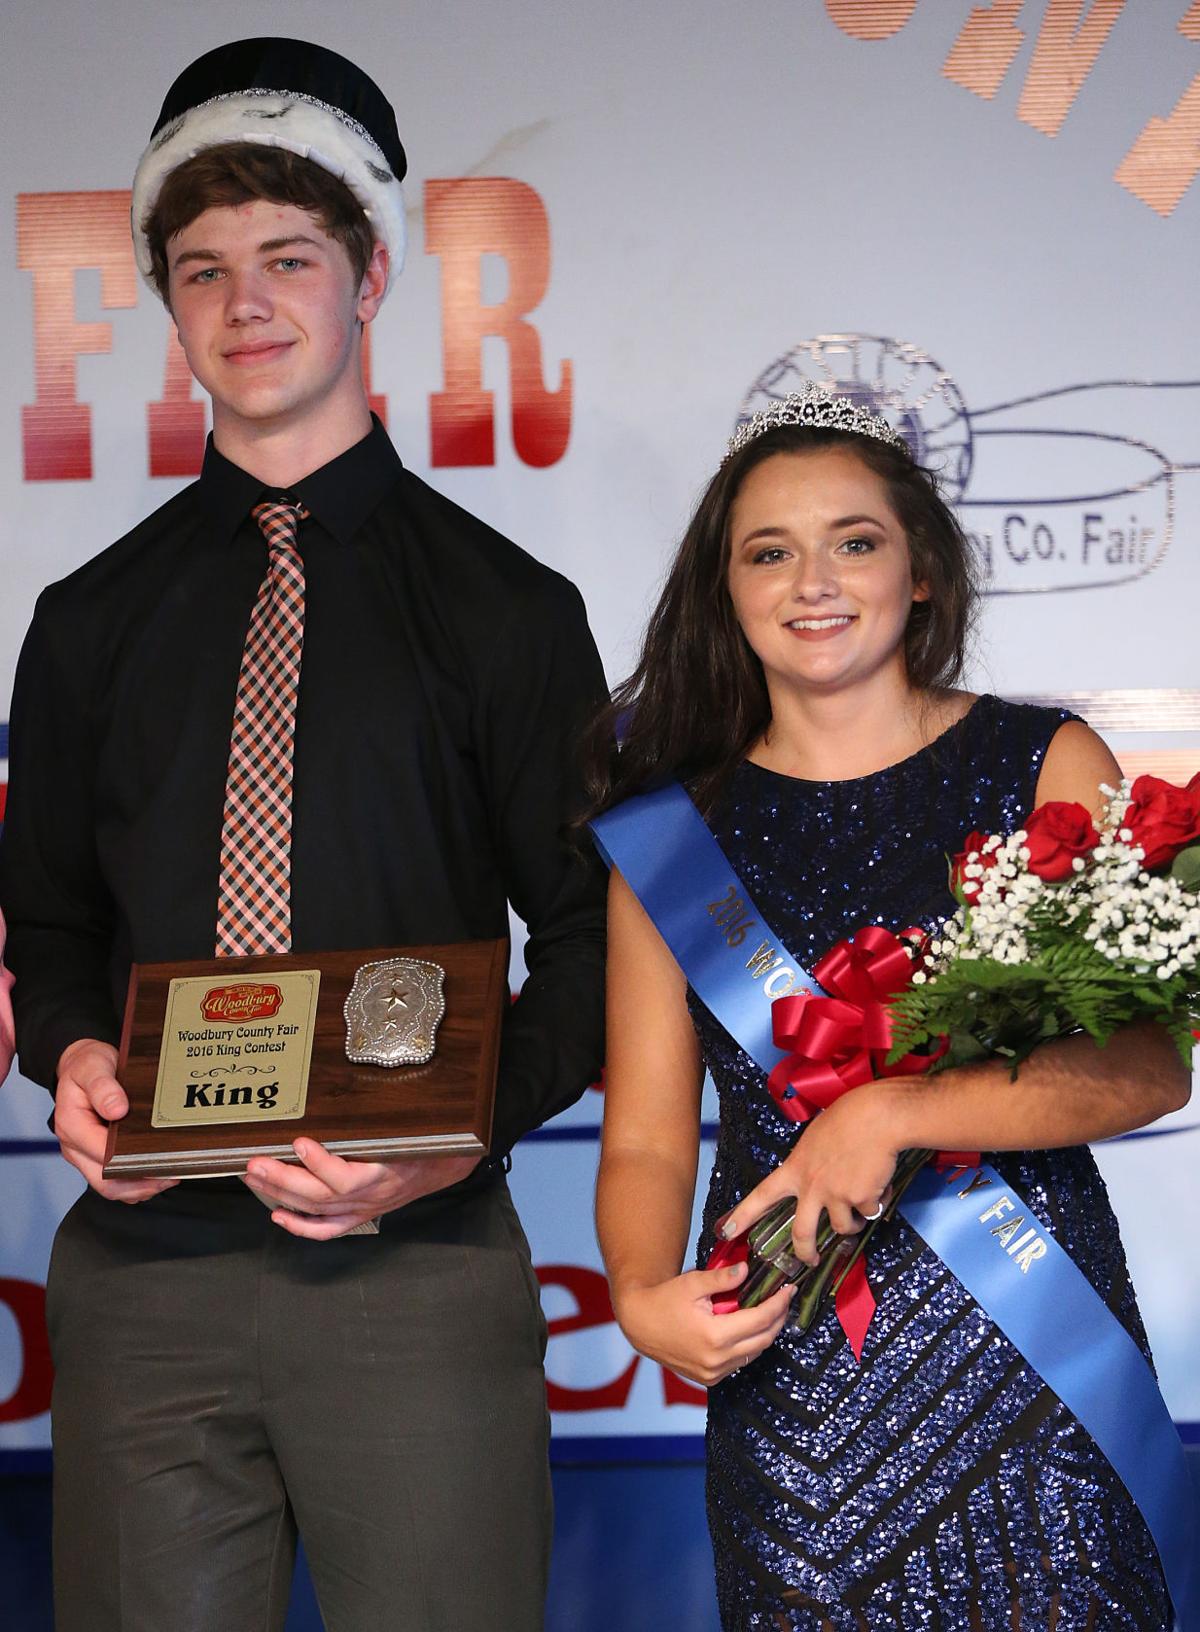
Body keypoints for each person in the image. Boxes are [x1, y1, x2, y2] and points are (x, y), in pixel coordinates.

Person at [0, 37, 606, 1632]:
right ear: (169, 301)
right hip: (143, 1282)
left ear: (370, 273)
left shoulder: (509, 614)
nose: (245, 302)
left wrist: (450, 1143)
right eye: (202, 271)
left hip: (417, 1268)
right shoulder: (85, 623)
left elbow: (601, 937)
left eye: (287, 257)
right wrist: (64, 1050)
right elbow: (50, 925)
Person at [589, 385, 1187, 1630]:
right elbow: (647, 1135)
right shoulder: (666, 837)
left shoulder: (1043, 762)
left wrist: (895, 1113)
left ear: (921, 572)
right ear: (728, 590)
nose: (813, 580)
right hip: (799, 1370)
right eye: (770, 551)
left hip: (1035, 1359)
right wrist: (643, 1295)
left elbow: (1149, 1066)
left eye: (853, 540)